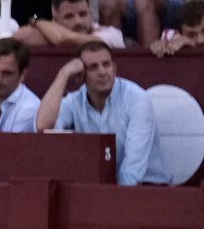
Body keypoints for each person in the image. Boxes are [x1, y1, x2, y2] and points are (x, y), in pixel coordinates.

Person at [36, 41, 169, 186]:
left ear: (115, 69)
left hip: (147, 188)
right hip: (98, 187)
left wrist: (110, 201)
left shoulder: (137, 98)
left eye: (106, 64)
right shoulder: (74, 100)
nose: (102, 72)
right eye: (93, 67)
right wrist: (63, 74)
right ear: (80, 76)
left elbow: (133, 167)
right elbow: (43, 126)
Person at [17, 0, 128, 49]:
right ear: (55, 20)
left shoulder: (112, 34)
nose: (78, 21)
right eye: (69, 16)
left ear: (91, 14)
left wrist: (37, 20)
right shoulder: (50, 32)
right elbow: (22, 36)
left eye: (83, 14)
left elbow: (63, 39)